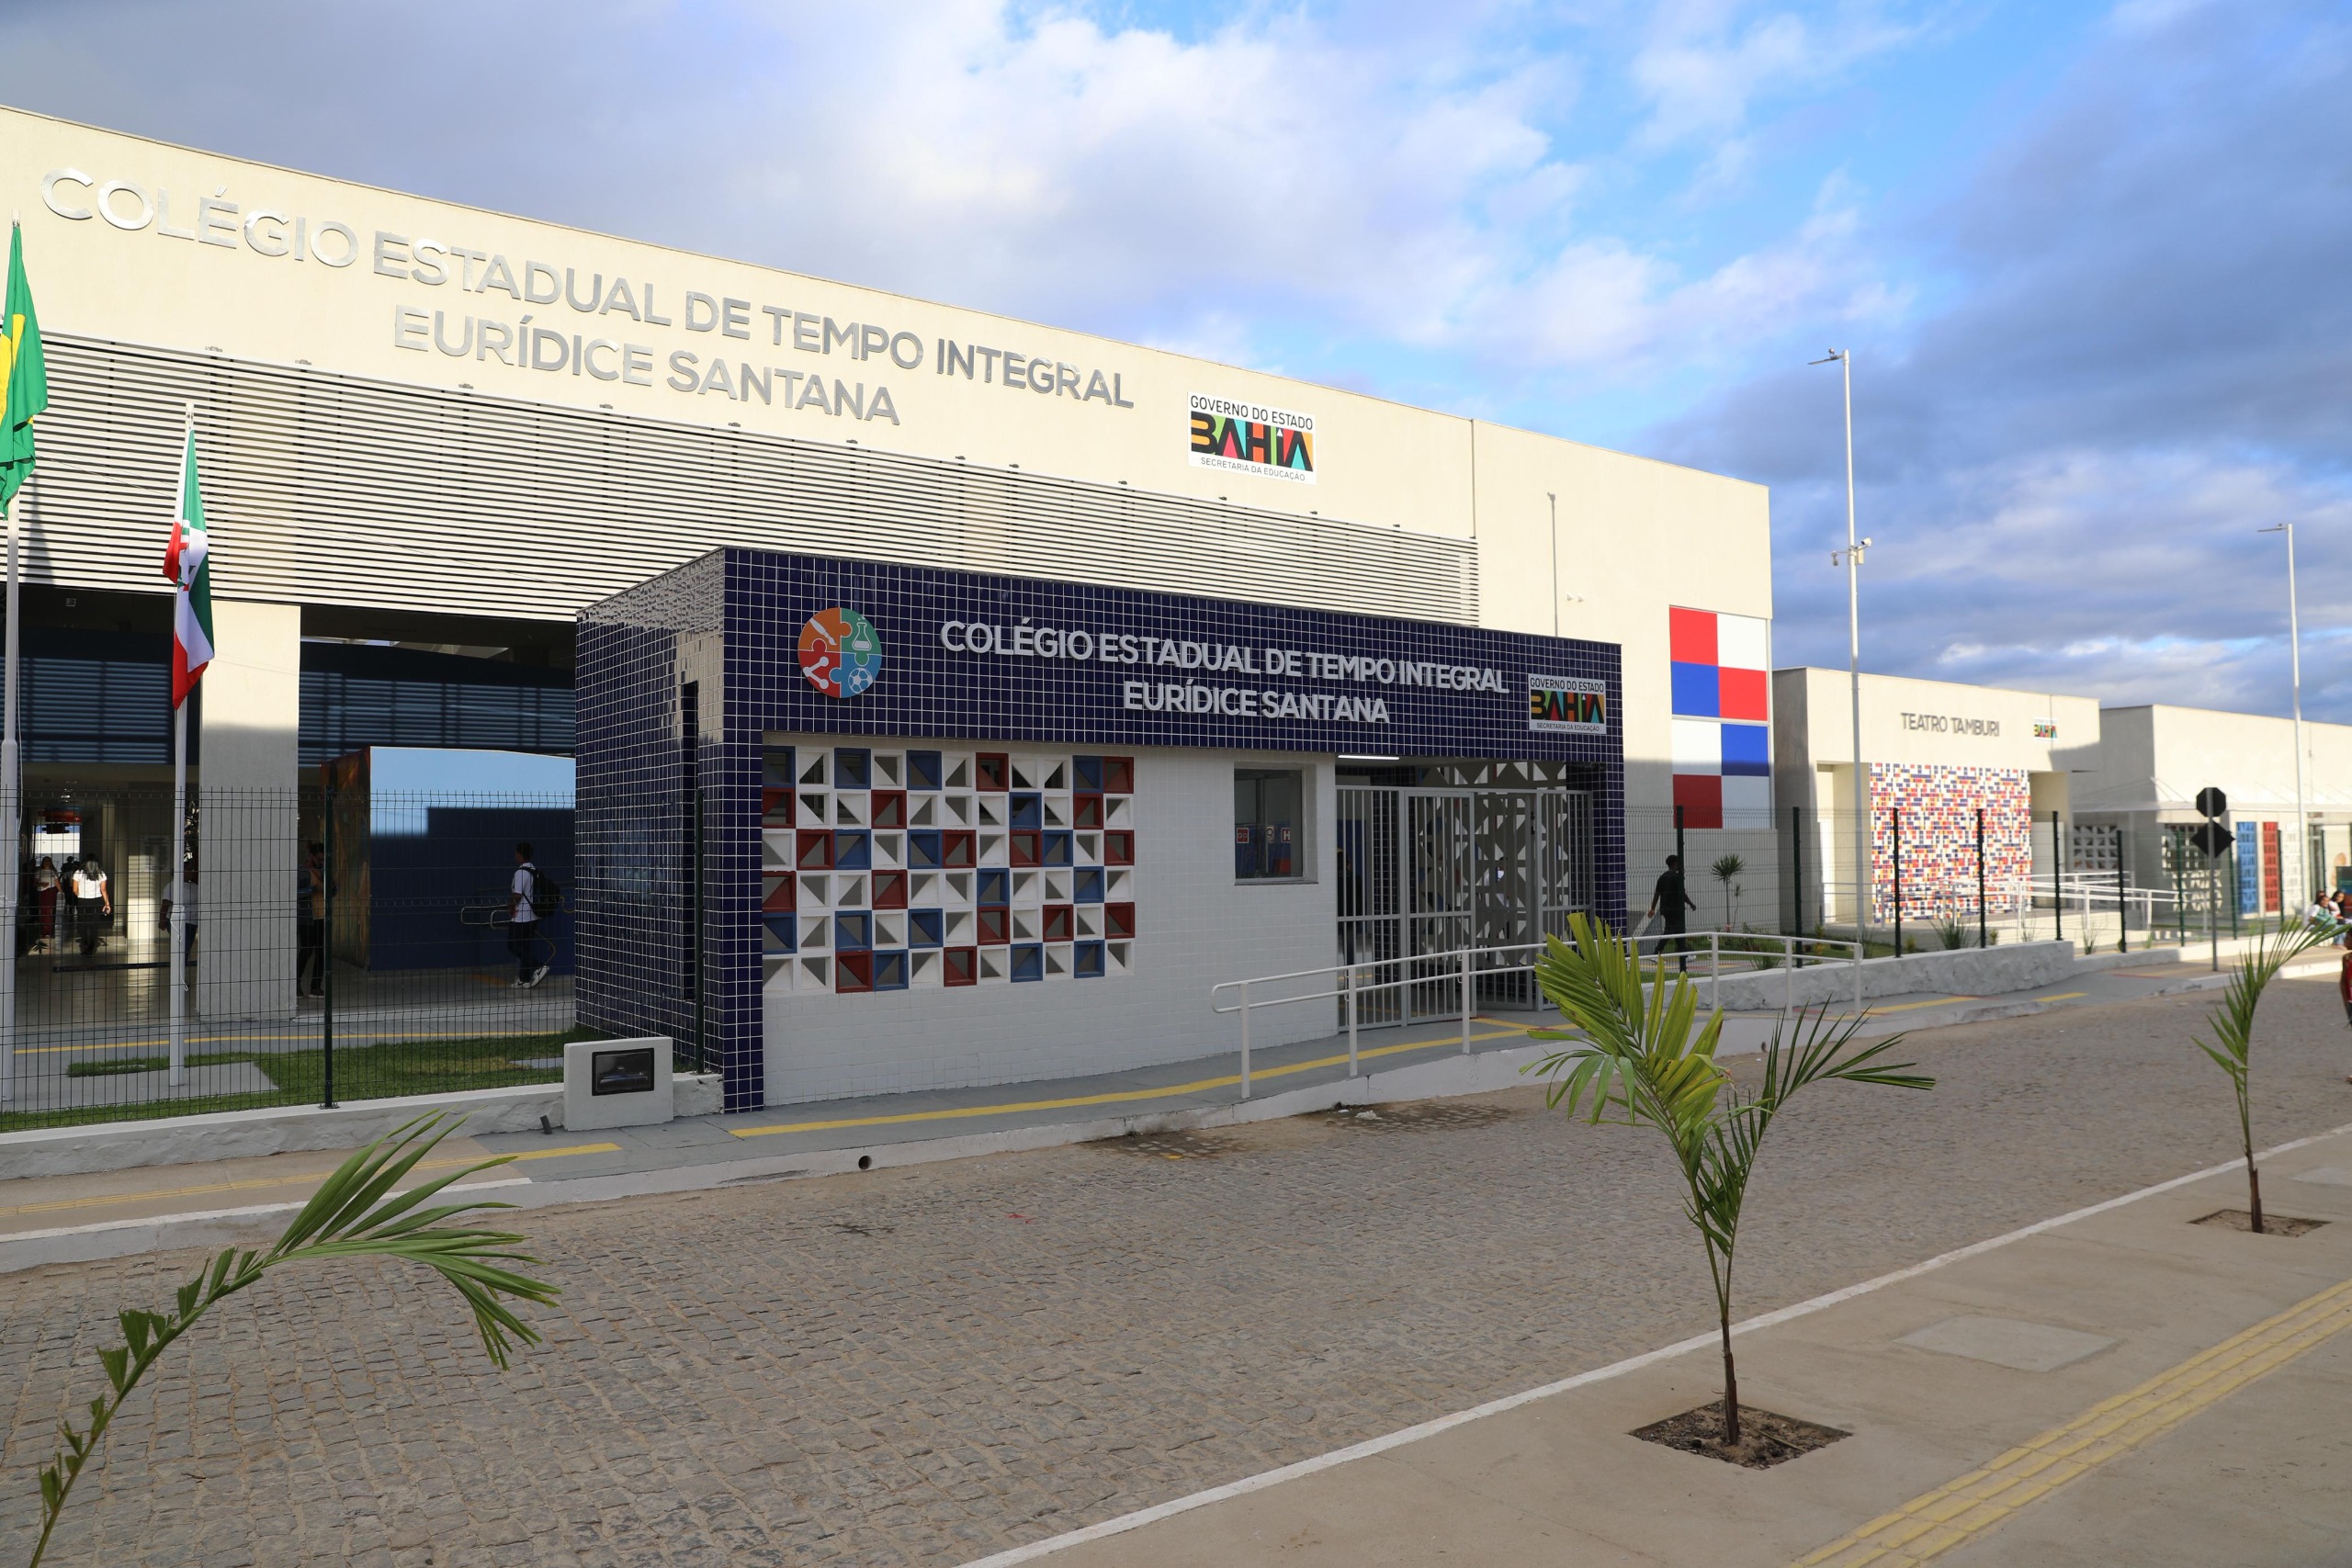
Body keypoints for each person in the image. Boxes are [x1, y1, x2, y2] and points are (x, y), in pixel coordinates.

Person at [1645, 853, 1698, 974]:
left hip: (1665, 909)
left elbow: (1657, 894)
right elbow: (1682, 894)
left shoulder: (1663, 877)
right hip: (1675, 909)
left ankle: (1684, 954)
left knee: (1678, 930)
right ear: (1674, 864)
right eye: (1679, 863)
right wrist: (1691, 904)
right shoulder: (1676, 877)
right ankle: (1656, 954)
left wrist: (1653, 908)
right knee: (1670, 931)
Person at [508, 840, 548, 988]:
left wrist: (511, 906)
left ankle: (539, 966)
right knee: (524, 946)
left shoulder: (520, 873)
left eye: (516, 853)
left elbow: (517, 895)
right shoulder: (534, 870)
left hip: (521, 916)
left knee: (512, 945)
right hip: (533, 915)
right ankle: (524, 978)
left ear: (519, 855)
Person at [296, 842, 326, 998]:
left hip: (321, 917)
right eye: (319, 859)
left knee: (321, 952)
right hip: (307, 918)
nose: (321, 862)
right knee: (306, 951)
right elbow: (296, 893)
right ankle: (296, 984)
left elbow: (332, 891)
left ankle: (316, 986)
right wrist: (314, 889)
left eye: (323, 859)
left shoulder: (324, 871)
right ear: (312, 856)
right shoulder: (303, 871)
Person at [68, 858, 109, 959]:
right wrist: (107, 904)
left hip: (83, 901)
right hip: (96, 900)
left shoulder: (78, 873)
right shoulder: (101, 874)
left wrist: (81, 895)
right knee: (94, 925)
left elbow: (74, 889)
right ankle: (91, 948)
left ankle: (85, 944)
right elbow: (103, 890)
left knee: (83, 923)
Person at [159, 860, 198, 961]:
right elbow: (165, 905)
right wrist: (162, 921)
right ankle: (179, 968)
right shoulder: (172, 886)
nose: (192, 872)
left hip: (193, 923)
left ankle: (182, 968)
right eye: (188, 869)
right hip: (180, 923)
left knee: (186, 949)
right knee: (182, 949)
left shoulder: (194, 886)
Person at [32, 857, 57, 955]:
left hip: (51, 892)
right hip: (43, 892)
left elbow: (57, 882)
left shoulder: (53, 872)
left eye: (48, 861)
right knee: (44, 911)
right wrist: (41, 884)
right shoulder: (39, 872)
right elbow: (34, 883)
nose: (47, 863)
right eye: (45, 861)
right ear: (43, 862)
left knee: (50, 912)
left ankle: (49, 931)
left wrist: (61, 891)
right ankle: (44, 930)